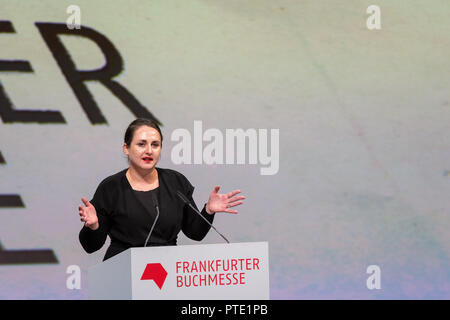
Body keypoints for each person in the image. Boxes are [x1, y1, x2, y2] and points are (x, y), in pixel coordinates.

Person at [78, 118, 245, 261]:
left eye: (155, 145)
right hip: (124, 272)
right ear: (126, 148)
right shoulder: (111, 188)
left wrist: (208, 210)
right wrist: (93, 226)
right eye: (141, 144)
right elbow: (90, 246)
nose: (149, 150)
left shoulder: (175, 182)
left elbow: (195, 233)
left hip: (168, 271)